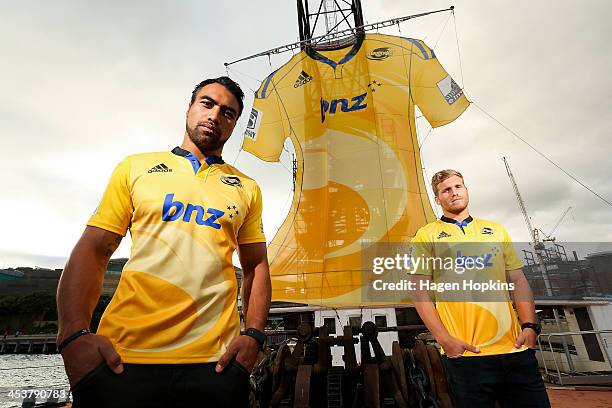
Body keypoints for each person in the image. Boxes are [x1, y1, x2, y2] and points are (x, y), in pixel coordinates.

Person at [56, 76, 271, 408]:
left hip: (216, 364)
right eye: (207, 103)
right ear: (189, 107)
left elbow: (255, 265)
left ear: (234, 125)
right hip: (124, 358)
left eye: (228, 113)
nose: (215, 116)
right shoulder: (135, 168)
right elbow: (94, 250)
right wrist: (72, 336)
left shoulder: (247, 187)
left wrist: (254, 336)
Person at [409, 169, 550, 408]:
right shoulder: (426, 236)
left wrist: (529, 327)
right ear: (437, 199)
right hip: (467, 355)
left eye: (458, 187)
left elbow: (518, 280)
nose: (454, 193)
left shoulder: (496, 230)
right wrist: (445, 341)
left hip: (515, 349)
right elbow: (418, 291)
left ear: (466, 190)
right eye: (446, 190)